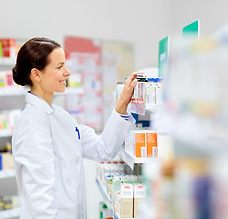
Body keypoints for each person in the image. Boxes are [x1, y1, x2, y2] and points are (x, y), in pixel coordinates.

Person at [11, 37, 138, 219]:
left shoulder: (60, 116)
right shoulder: (31, 123)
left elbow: (102, 149)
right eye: (59, 66)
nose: (67, 72)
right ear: (36, 74)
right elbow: (40, 201)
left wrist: (122, 104)